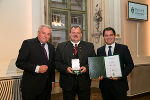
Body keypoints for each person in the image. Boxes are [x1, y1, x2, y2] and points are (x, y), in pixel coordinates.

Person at [55, 26, 96, 100]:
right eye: (73, 32)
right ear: (70, 34)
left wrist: (86, 68)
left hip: (84, 83)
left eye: (78, 33)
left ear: (81, 34)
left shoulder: (89, 46)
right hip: (67, 83)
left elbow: (94, 62)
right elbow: (56, 63)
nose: (75, 34)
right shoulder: (61, 46)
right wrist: (66, 69)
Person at [16, 25, 55, 100]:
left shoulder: (51, 47)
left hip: (46, 87)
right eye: (43, 33)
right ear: (38, 33)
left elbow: (52, 66)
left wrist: (52, 81)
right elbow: (19, 63)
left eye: (48, 34)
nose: (45, 36)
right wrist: (37, 68)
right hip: (31, 87)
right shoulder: (28, 43)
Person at [97, 27, 134, 100]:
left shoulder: (123, 48)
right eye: (106, 35)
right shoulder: (99, 50)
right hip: (105, 86)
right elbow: (99, 66)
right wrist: (99, 74)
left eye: (111, 35)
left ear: (114, 36)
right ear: (103, 37)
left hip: (119, 85)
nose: (109, 37)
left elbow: (130, 65)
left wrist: (120, 75)